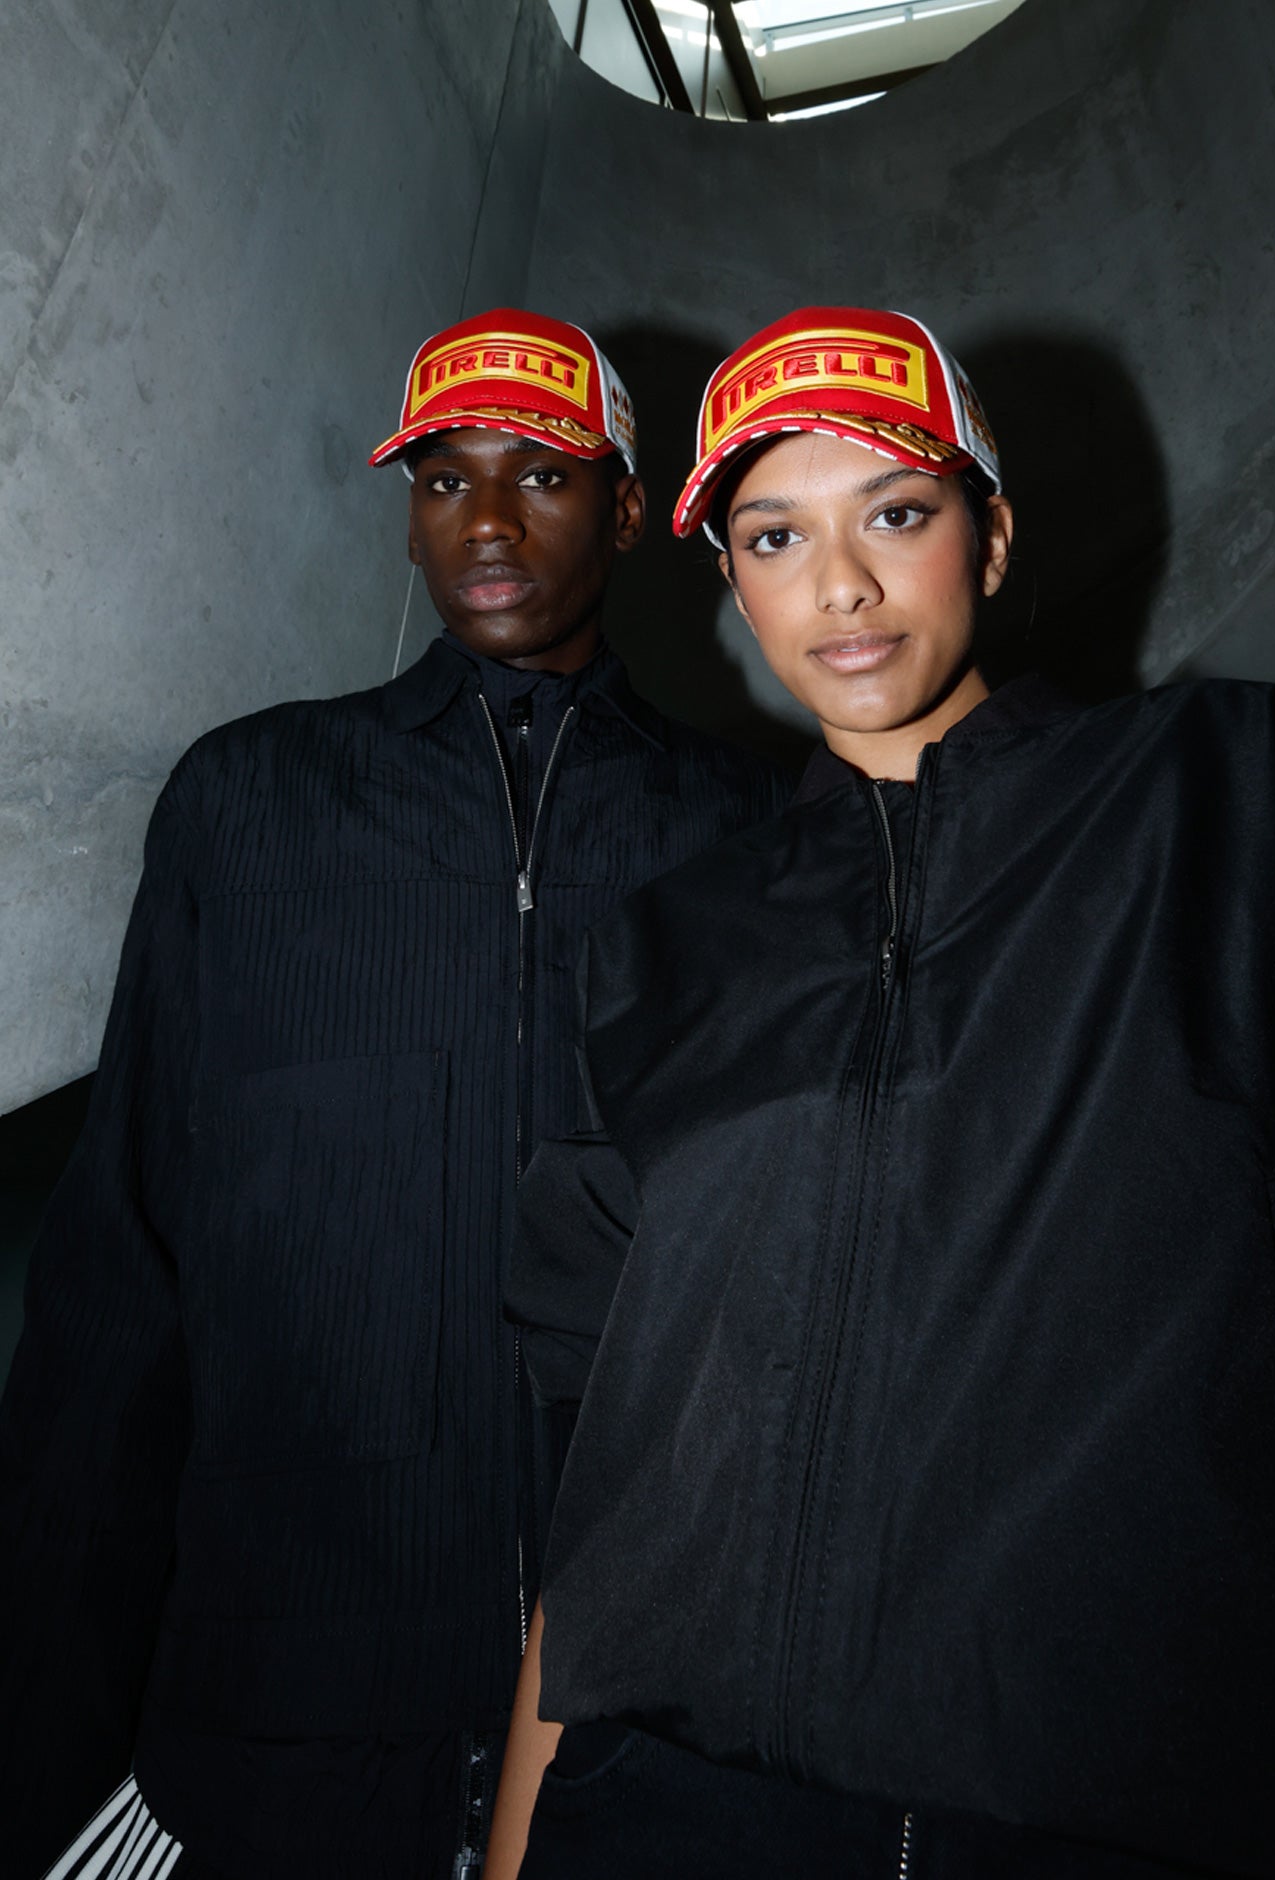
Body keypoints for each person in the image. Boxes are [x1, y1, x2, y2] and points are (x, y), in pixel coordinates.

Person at [488, 305, 1275, 1877]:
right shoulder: (663, 950)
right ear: (729, 583)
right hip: (674, 1815)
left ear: (991, 541)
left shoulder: (1231, 797)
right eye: (775, 533)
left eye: (899, 514)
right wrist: (521, 1842)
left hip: (1145, 1805)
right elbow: (600, 1460)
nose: (841, 585)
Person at [0, 307, 791, 1880]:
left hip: (662, 1757)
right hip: (271, 1744)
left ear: (630, 511)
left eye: (542, 476)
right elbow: (115, 1299)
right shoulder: (250, 804)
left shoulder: (762, 832)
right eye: (443, 480)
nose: (485, 522)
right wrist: (47, 1758)